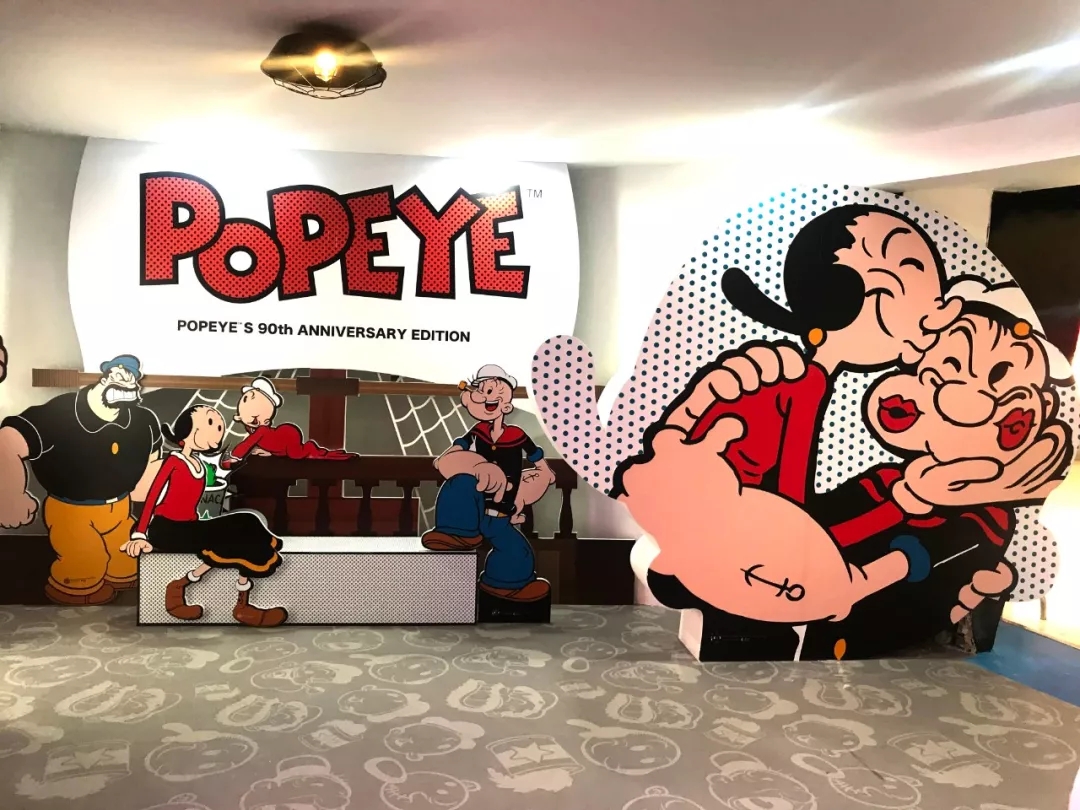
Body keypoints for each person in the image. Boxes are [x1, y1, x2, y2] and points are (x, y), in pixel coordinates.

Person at [0, 355, 163, 605]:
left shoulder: (143, 419)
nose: (126, 381)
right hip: (72, 510)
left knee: (125, 553)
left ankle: (120, 576)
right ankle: (76, 588)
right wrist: (11, 496)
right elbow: (9, 440)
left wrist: (147, 491)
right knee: (84, 559)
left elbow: (153, 454)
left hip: (120, 507)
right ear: (105, 377)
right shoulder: (61, 412)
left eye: (131, 378)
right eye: (119, 375)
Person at [120, 404, 287, 628]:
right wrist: (140, 534)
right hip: (167, 528)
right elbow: (153, 497)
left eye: (219, 426)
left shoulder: (199, 463)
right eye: (210, 422)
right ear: (189, 429)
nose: (217, 430)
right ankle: (226, 601)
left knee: (247, 521)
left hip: (190, 525)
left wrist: (254, 450)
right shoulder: (174, 461)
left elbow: (226, 468)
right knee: (229, 538)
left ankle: (228, 599)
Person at [421, 364, 556, 603]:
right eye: (482, 392)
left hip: (501, 512)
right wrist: (447, 457)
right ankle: (456, 533)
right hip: (476, 506)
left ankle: (505, 584)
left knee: (517, 549)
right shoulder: (478, 431)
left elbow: (534, 453)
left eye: (492, 392)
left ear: (506, 405)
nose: (486, 397)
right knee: (460, 483)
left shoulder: (516, 435)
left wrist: (544, 471)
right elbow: (461, 444)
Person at [220, 376, 355, 469]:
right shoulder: (258, 430)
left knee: (297, 454)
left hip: (288, 436)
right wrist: (269, 452)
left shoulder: (261, 430)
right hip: (281, 442)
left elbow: (247, 443)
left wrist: (234, 457)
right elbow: (268, 443)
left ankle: (311, 448)